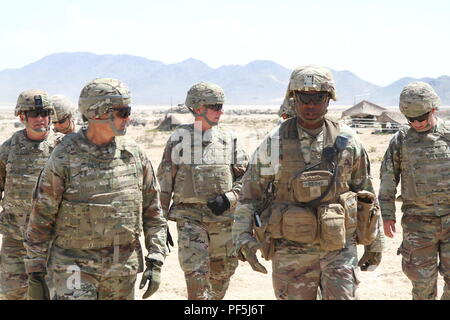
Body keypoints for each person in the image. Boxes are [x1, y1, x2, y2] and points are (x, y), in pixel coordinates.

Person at [232, 65, 384, 300]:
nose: (310, 105)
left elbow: (366, 193)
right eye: (303, 98)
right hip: (291, 251)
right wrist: (243, 239)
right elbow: (249, 195)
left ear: (328, 99)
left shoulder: (348, 140)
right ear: (293, 98)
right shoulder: (274, 143)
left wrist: (375, 242)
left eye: (318, 98)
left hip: (339, 249)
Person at [23, 78, 168, 300]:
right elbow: (41, 216)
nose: (128, 118)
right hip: (73, 268)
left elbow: (153, 211)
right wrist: (35, 272)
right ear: (97, 113)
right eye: (123, 111)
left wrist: (156, 259)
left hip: (122, 270)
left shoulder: (134, 155)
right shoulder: (65, 156)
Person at [157, 82, 248, 300]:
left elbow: (247, 178)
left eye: (221, 106)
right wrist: (160, 223)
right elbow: (164, 183)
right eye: (214, 106)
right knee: (196, 278)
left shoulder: (229, 138)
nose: (220, 111)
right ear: (197, 108)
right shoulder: (179, 139)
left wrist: (230, 198)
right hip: (190, 219)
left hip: (223, 220)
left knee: (221, 277)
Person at [379, 81, 449, 300]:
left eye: (422, 118)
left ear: (433, 110)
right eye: (411, 120)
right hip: (417, 225)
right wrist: (387, 214)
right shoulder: (401, 140)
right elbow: (388, 179)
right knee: (422, 285)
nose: (417, 124)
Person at [0, 89, 56, 300]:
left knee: (51, 294)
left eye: (44, 113)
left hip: (52, 240)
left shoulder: (63, 149)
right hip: (15, 238)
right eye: (34, 114)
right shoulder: (8, 150)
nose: (40, 118)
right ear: (22, 116)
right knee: (11, 294)